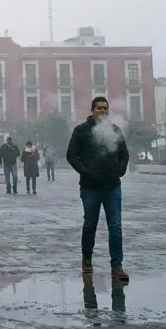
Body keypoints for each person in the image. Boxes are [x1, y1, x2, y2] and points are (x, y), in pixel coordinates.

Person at [66, 96, 130, 284]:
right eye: (99, 108)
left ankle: (117, 267)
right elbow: (71, 155)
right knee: (90, 224)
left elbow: (124, 154)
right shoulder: (82, 130)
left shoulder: (115, 130)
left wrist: (120, 170)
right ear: (92, 110)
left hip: (112, 187)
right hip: (90, 187)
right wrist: (85, 171)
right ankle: (87, 259)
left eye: (105, 109)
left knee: (115, 226)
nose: (103, 111)